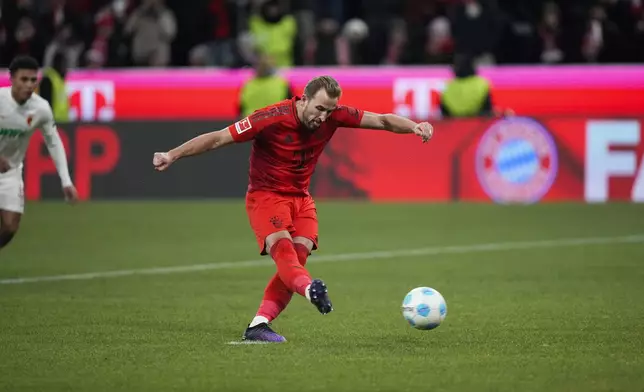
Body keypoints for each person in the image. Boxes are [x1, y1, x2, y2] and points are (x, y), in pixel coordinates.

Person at [152, 76, 433, 343]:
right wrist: (172, 154)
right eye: (319, 108)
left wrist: (414, 126)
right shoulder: (269, 117)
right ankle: (310, 291)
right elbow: (218, 138)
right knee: (285, 254)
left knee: (297, 259)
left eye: (329, 110)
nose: (323, 116)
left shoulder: (334, 116)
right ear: (304, 99)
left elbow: (383, 120)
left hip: (301, 199)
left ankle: (258, 325)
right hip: (266, 198)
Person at [0, 56, 78, 251]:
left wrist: (66, 180)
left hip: (10, 172)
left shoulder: (40, 108)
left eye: (33, 80)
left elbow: (54, 142)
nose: (29, 85)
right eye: (23, 79)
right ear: (12, 79)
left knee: (9, 227)